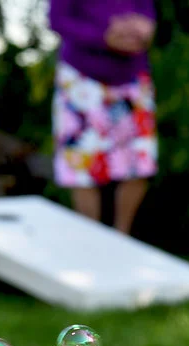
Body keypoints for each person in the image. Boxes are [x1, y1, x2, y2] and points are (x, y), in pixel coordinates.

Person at [49, 0, 158, 234]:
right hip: (81, 78)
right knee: (81, 166)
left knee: (139, 161)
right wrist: (103, 36)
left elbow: (147, 14)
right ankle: (91, 241)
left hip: (132, 78)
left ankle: (122, 239)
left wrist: (141, 30)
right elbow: (57, 20)